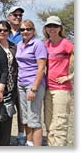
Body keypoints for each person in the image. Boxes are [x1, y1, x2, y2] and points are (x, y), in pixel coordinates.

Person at [43, 16, 74, 146]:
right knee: (49, 123)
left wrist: (70, 76)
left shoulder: (66, 43)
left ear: (60, 28)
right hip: (47, 88)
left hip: (61, 90)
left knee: (60, 124)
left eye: (55, 26)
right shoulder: (45, 44)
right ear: (46, 29)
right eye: (49, 26)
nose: (52, 28)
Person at [16, 19, 47, 147]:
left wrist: (34, 88)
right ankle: (29, 143)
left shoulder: (37, 44)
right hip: (21, 84)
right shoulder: (19, 44)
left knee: (34, 119)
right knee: (25, 118)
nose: (25, 32)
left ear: (33, 31)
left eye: (28, 29)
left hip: (33, 84)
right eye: (22, 29)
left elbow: (41, 67)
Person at [0, 20, 19, 146]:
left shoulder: (14, 47)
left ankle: (5, 144)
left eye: (5, 30)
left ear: (9, 32)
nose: (2, 32)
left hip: (10, 87)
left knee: (7, 117)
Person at [6, 6, 26, 145]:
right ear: (9, 16)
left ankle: (20, 135)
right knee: (7, 107)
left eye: (20, 15)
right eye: (15, 15)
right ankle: (5, 136)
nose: (18, 17)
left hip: (22, 76)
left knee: (22, 108)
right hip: (6, 76)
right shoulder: (3, 31)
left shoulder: (25, 32)